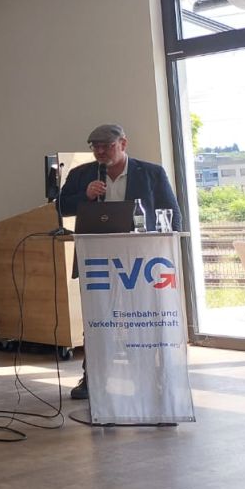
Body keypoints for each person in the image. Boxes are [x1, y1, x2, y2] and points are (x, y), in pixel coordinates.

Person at [57, 123, 183, 400]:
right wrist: (85, 195)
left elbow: (173, 215)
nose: (101, 152)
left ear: (123, 144)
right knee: (97, 320)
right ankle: (93, 379)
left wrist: (167, 254)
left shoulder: (151, 173)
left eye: (107, 146)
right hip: (96, 261)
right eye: (96, 147)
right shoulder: (81, 174)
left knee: (140, 319)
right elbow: (61, 207)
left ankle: (146, 377)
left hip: (140, 263)